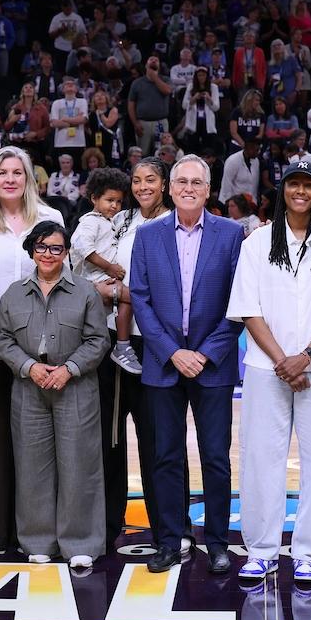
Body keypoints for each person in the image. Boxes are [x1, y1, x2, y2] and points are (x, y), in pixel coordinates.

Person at [226, 158, 311, 583]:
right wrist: (285, 360)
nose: (301, 192)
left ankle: (307, 553)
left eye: (309, 186)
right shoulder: (257, 243)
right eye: (294, 184)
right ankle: (261, 550)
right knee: (261, 457)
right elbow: (249, 310)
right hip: (268, 369)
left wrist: (308, 354)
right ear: (282, 190)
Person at [129, 154, 245, 575]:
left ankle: (216, 542)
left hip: (212, 364)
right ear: (170, 188)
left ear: (209, 189)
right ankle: (170, 539)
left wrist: (206, 352)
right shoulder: (147, 234)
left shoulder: (232, 235)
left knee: (215, 456)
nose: (189, 188)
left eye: (198, 182)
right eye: (182, 181)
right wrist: (171, 351)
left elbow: (239, 301)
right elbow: (139, 297)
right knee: (165, 455)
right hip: (163, 363)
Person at [0, 146, 63, 550]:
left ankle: (36, 532)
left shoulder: (50, 219)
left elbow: (63, 279)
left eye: (17, 171)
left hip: (42, 352)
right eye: (2, 171)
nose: (9, 178)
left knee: (38, 445)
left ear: (29, 178)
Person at [0, 220, 110, 567]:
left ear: (65, 253)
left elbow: (98, 340)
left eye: (56, 248)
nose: (48, 254)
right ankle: (38, 541)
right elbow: (3, 340)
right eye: (42, 247)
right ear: (32, 250)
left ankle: (81, 545)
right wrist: (29, 367)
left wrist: (68, 369)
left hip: (75, 386)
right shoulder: (13, 293)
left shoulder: (85, 292)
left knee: (79, 465)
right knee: (32, 468)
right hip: (29, 388)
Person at [96, 159, 176, 551]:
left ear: (165, 184)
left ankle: (167, 531)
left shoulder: (177, 222)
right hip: (113, 339)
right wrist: (104, 288)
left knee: (156, 441)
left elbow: (168, 291)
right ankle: (109, 525)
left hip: (154, 342)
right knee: (110, 441)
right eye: (137, 180)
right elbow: (90, 267)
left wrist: (115, 293)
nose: (143, 186)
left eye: (151, 180)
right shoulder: (122, 219)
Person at [71, 167, 141, 374]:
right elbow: (84, 249)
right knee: (130, 298)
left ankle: (122, 344)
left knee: (125, 303)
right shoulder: (90, 221)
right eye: (110, 200)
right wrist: (109, 267)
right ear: (94, 198)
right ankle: (121, 346)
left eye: (119, 201)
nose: (115, 205)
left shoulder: (111, 222)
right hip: (94, 278)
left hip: (106, 277)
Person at [219, 137, 261, 203]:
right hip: (234, 202)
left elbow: (254, 185)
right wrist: (228, 204)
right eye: (256, 150)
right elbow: (226, 185)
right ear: (248, 148)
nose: (258, 152)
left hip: (250, 203)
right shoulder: (232, 161)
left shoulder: (256, 161)